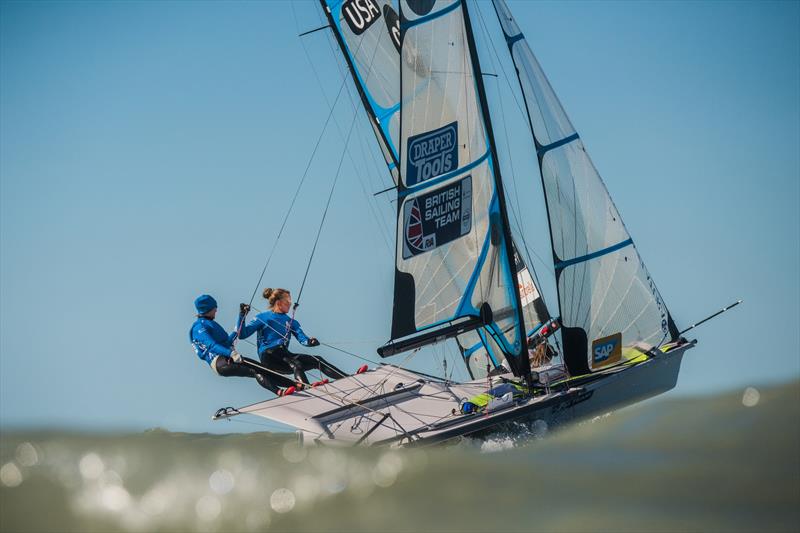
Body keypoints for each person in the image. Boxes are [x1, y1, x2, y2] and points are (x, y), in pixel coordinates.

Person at [238, 288, 348, 387]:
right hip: (269, 356)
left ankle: (346, 378)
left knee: (318, 360)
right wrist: (242, 315)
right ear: (279, 302)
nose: (290, 304)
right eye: (288, 301)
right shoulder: (262, 317)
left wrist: (310, 342)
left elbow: (303, 339)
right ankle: (306, 388)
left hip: (285, 357)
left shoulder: (292, 322)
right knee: (295, 363)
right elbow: (242, 335)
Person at [189, 294, 296, 395]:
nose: (216, 310)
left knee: (262, 368)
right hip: (219, 362)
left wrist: (242, 315)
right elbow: (212, 345)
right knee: (255, 370)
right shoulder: (199, 327)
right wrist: (231, 353)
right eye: (214, 308)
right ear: (207, 309)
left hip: (227, 357)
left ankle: (297, 385)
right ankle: (279, 392)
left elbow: (230, 339)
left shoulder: (210, 323)